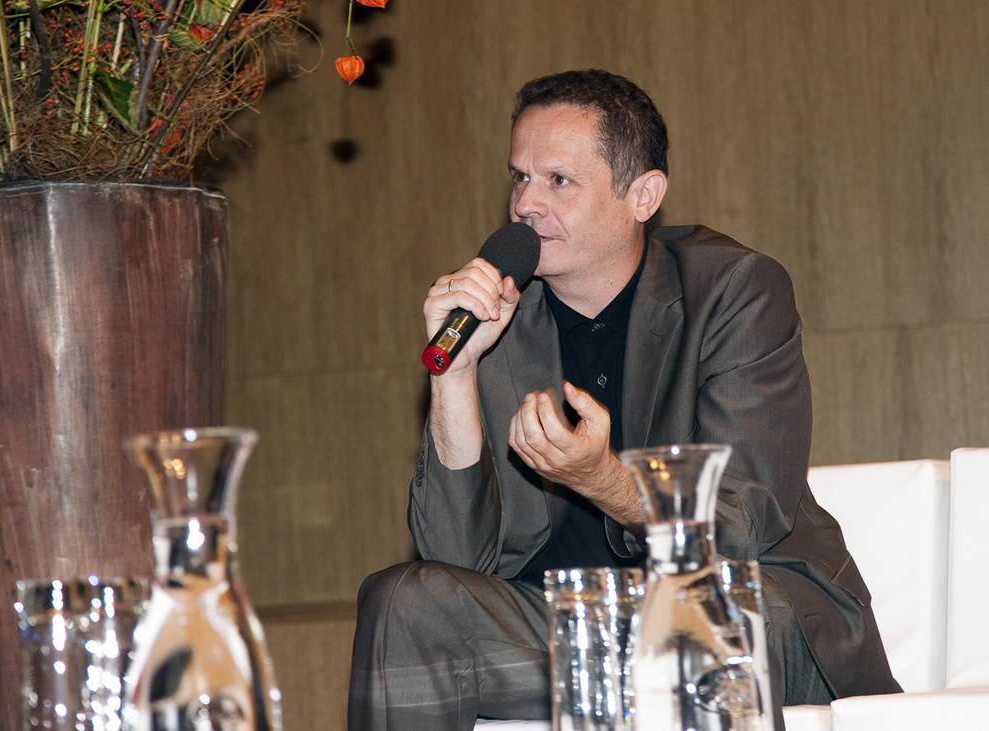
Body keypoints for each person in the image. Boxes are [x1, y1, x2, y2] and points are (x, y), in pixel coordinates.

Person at [348, 69, 900, 731]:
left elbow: (739, 523)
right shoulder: (500, 317)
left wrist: (601, 478)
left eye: (559, 180)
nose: (526, 204)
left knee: (701, 616)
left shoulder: (733, 292)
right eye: (519, 177)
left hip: (743, 611)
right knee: (405, 599)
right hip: (584, 627)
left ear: (643, 195)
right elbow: (455, 559)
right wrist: (455, 375)